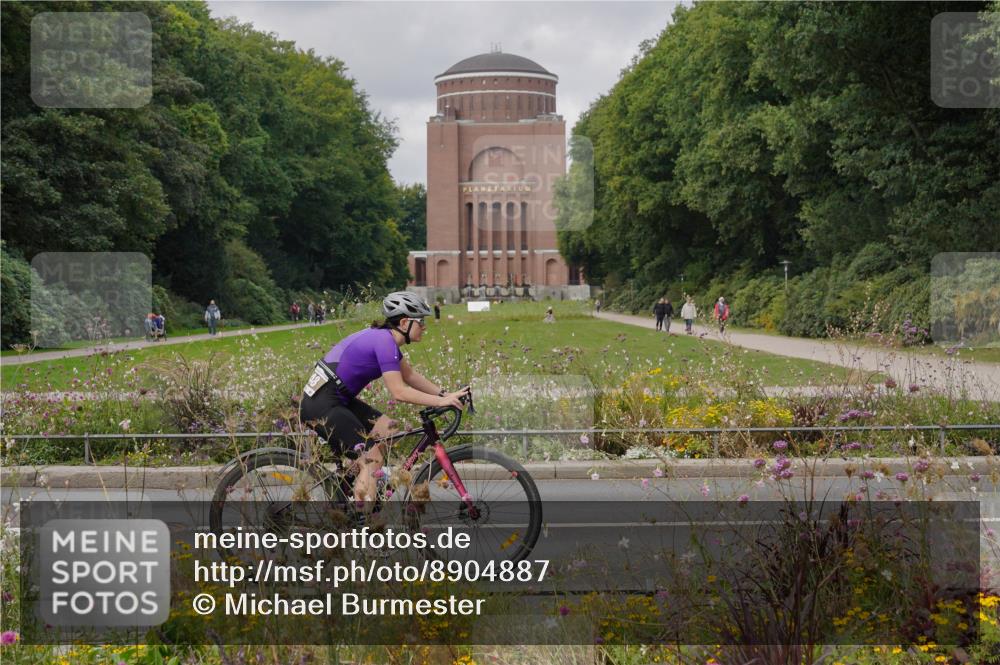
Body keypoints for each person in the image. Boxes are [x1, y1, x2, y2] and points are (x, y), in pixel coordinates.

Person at [299, 291, 469, 504]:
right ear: (405, 322)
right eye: (421, 321)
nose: (424, 326)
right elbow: (399, 392)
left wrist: (446, 394)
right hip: (322, 403)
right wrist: (440, 402)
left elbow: (410, 376)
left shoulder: (386, 339)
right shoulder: (385, 342)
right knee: (373, 460)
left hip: (336, 397)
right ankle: (364, 525)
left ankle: (353, 482)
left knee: (389, 429)